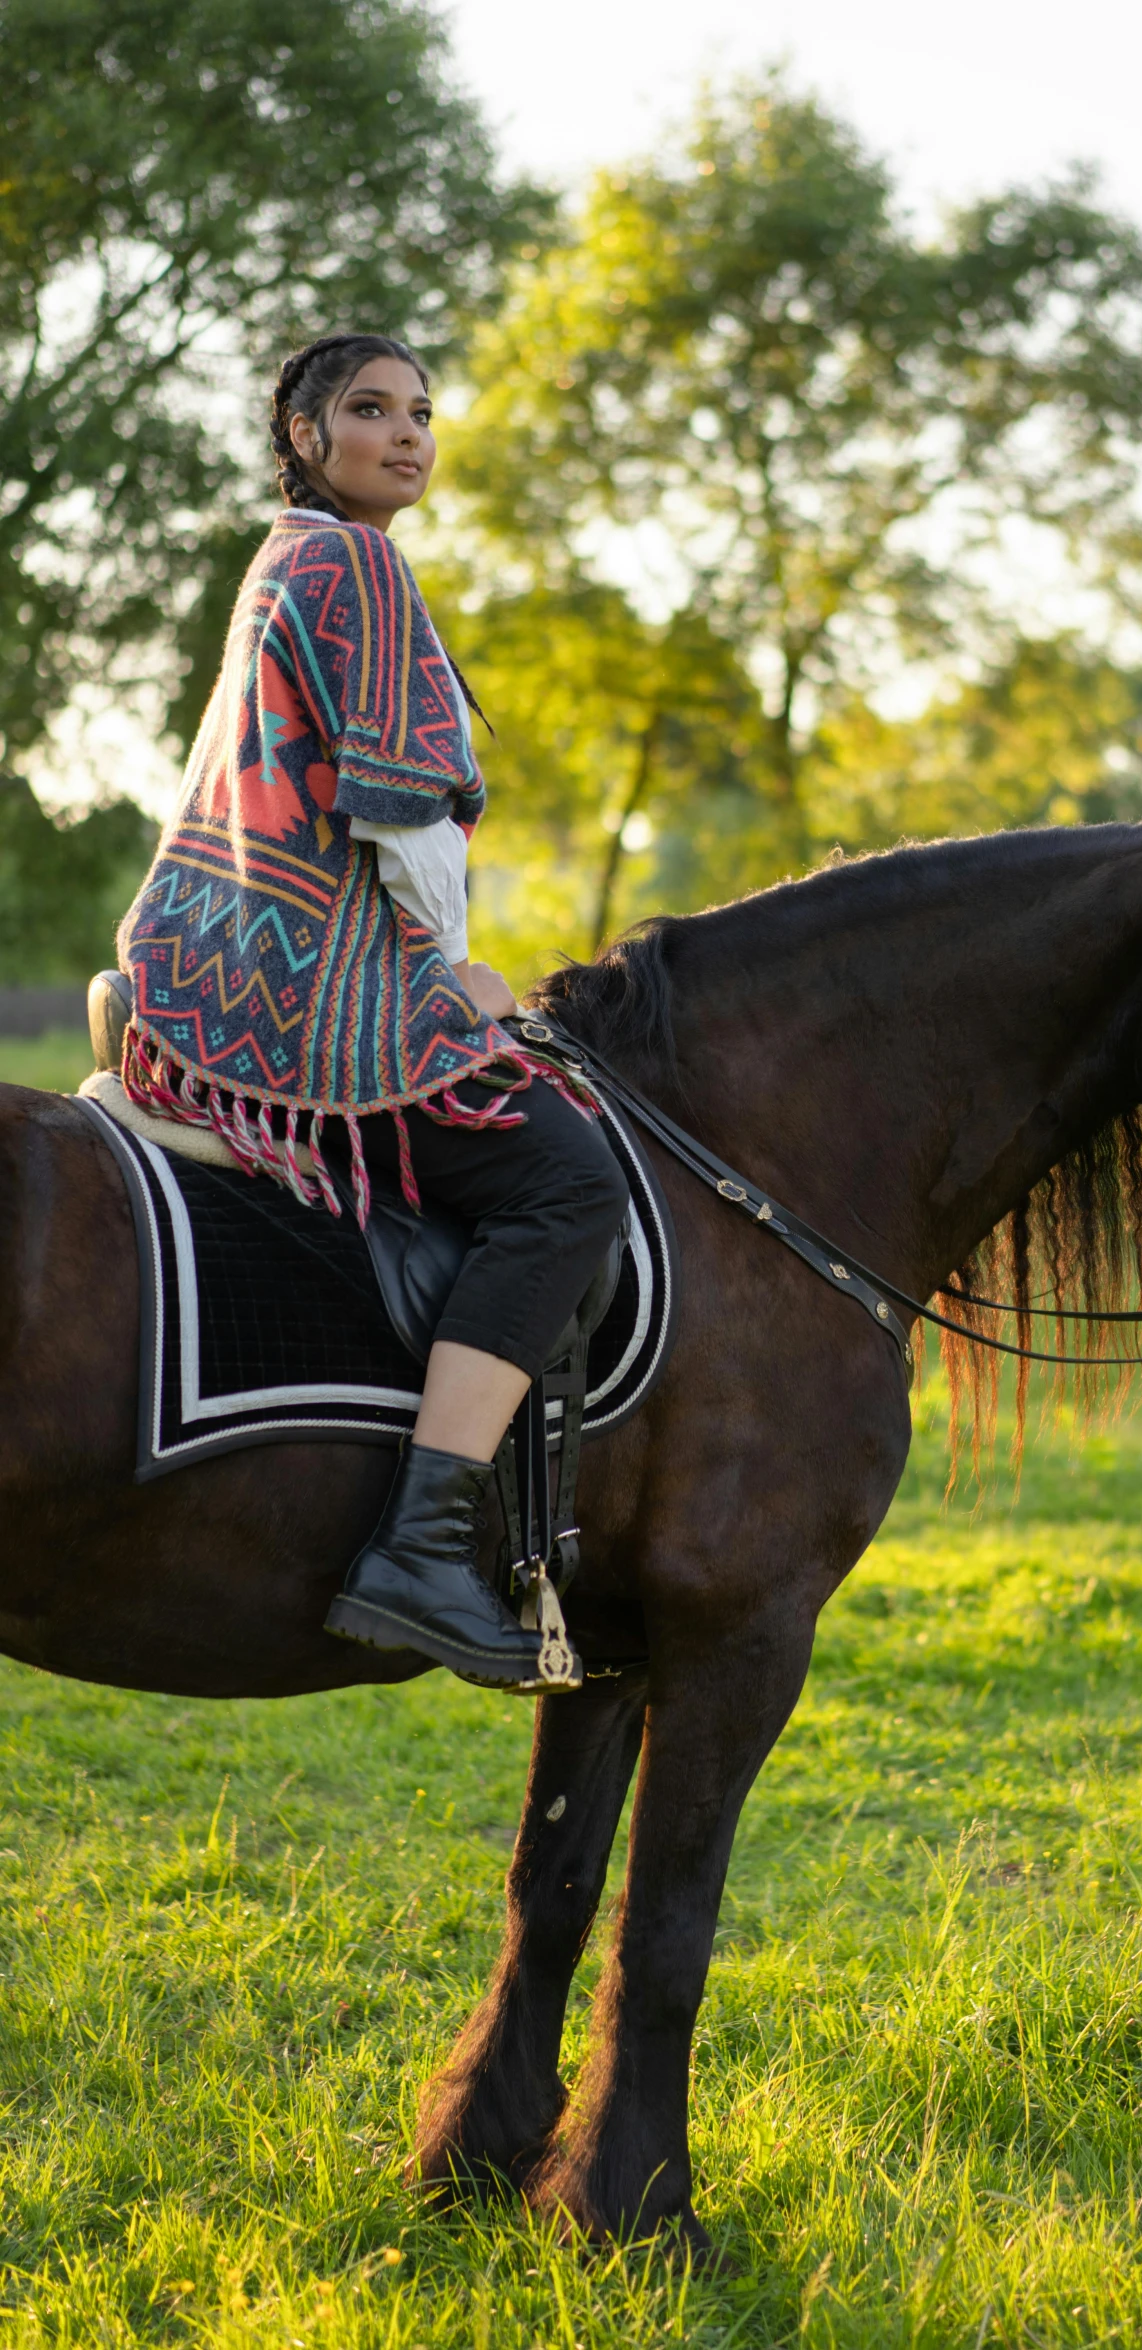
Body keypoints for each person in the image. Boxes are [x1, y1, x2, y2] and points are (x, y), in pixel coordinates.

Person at [116, 331, 630, 1686]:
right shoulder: (354, 562)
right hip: (304, 990)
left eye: (420, 411)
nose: (406, 433)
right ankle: (420, 1543)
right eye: (367, 409)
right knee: (570, 1178)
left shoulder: (283, 558)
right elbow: (401, 811)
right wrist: (450, 973)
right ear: (301, 433)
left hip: (207, 973)